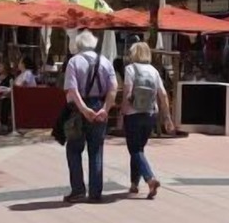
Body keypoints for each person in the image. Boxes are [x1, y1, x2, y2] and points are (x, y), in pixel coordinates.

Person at [63, 29, 117, 203]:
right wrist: (105, 109)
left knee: (73, 149)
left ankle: (78, 190)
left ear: (78, 45)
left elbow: (72, 89)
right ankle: (95, 192)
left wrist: (84, 109)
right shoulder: (106, 62)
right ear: (94, 44)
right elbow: (113, 89)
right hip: (99, 106)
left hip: (78, 109)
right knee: (96, 150)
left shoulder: (74, 62)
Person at [122, 42, 173, 199]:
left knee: (135, 150)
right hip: (150, 115)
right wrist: (167, 118)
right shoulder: (154, 71)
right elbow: (163, 95)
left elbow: (127, 93)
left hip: (133, 114)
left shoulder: (130, 69)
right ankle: (133, 184)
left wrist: (121, 112)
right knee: (139, 149)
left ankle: (150, 179)